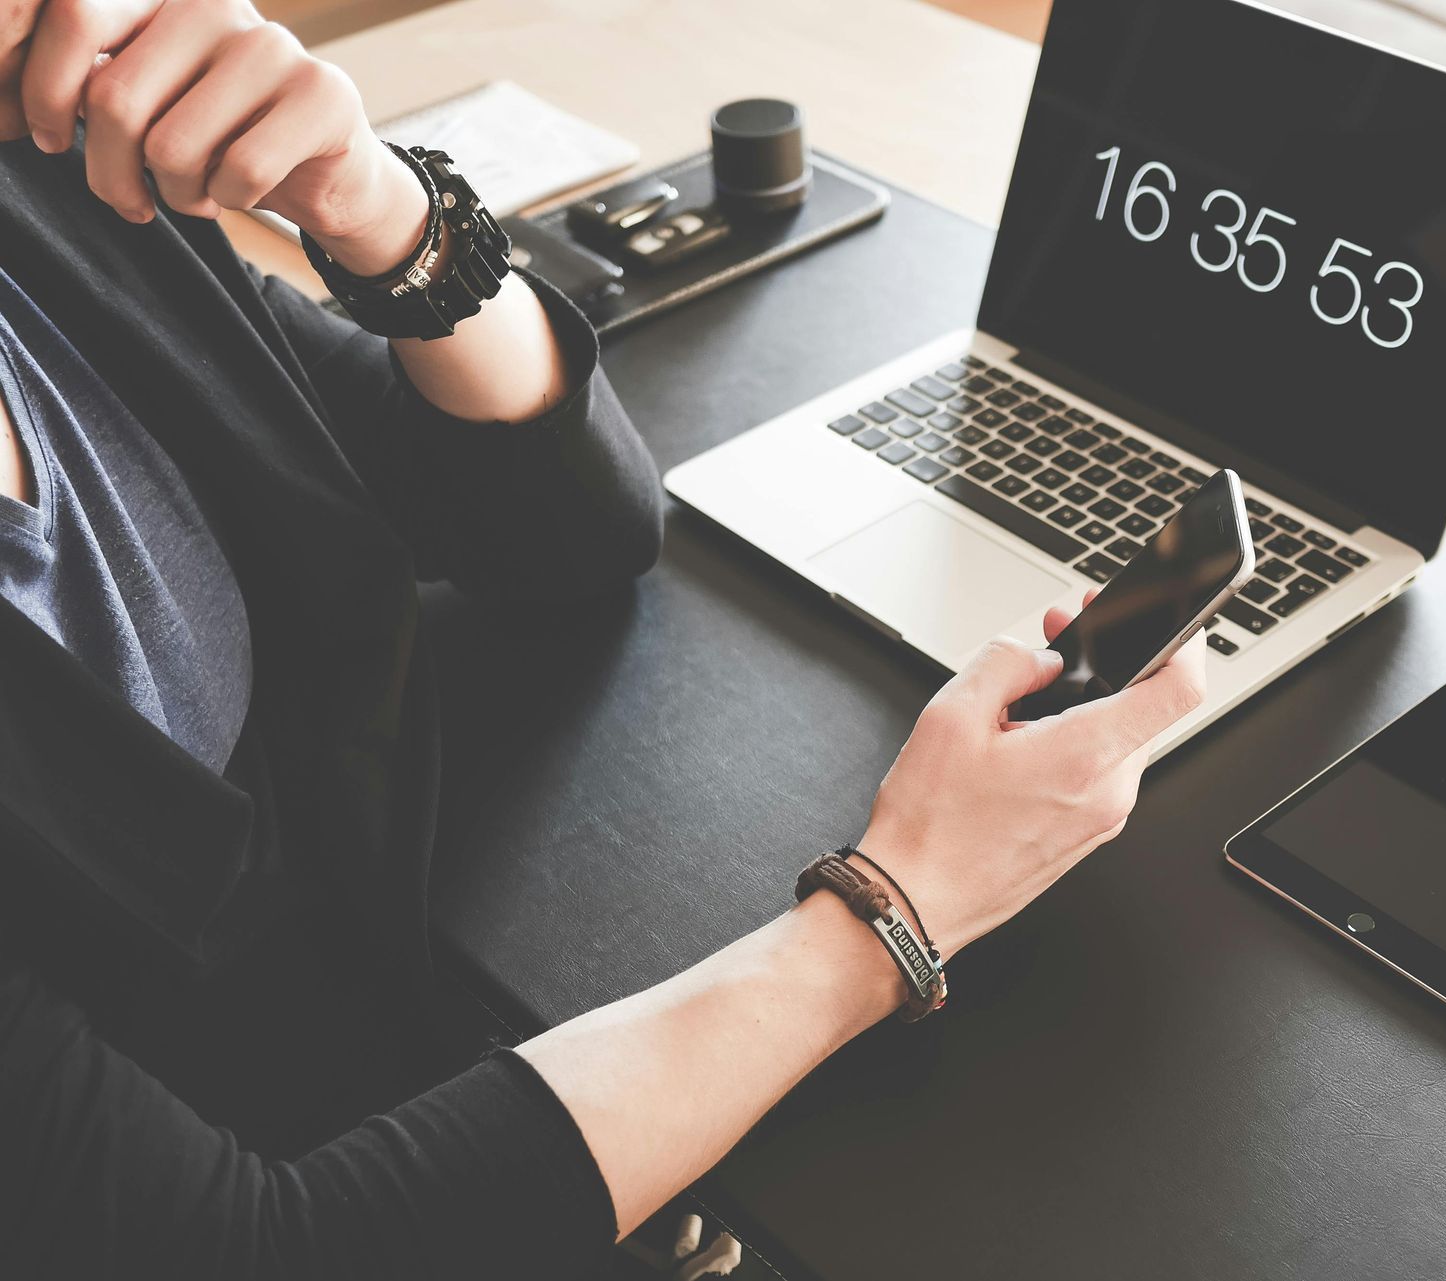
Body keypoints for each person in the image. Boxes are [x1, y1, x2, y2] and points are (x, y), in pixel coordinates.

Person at [0, 1, 1208, 1276]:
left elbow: (567, 530)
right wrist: (899, 907)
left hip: (396, 1021)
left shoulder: (54, 193)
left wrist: (381, 208)